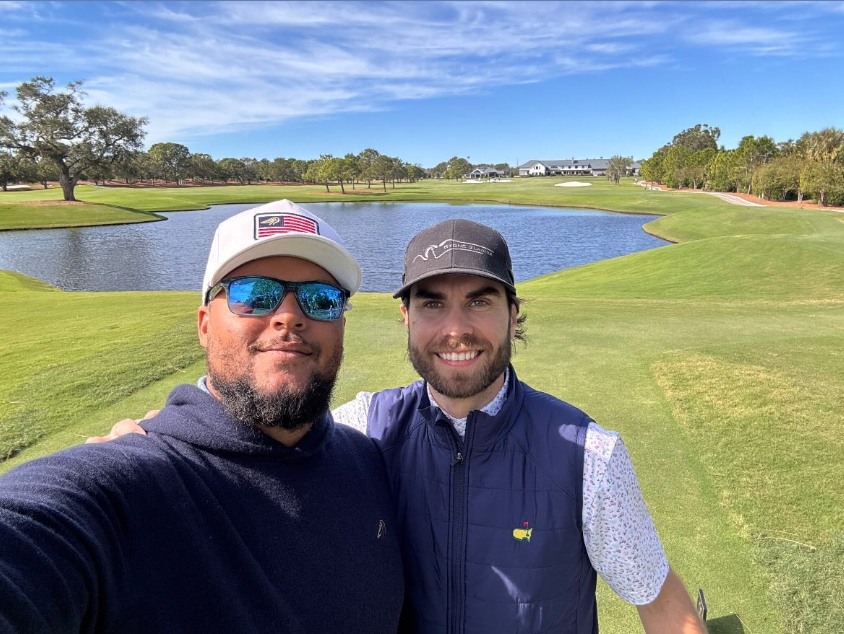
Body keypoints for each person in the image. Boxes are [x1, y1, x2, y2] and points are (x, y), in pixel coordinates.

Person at [97, 218, 707, 633]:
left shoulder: (587, 454)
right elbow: (255, 444)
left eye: (481, 300)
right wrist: (156, 439)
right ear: (405, 319)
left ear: (514, 315)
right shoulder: (363, 427)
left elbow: (658, 598)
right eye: (432, 303)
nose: (455, 328)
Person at [0, 200, 404, 633]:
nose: (289, 316)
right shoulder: (122, 486)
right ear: (205, 325)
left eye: (321, 300)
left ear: (341, 325)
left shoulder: (370, 461)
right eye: (254, 294)